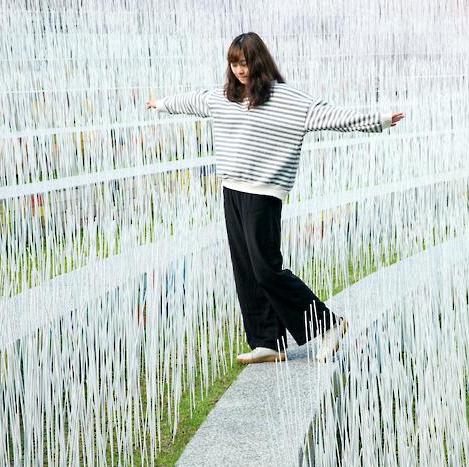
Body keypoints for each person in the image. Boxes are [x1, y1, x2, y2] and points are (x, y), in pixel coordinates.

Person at [146, 32, 404, 364]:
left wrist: (378, 121)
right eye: (235, 63)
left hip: (264, 193)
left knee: (267, 269)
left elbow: (331, 117)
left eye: (245, 62)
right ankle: (268, 341)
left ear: (260, 61)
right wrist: (161, 104)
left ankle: (328, 325)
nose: (240, 70)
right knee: (246, 270)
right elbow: (191, 101)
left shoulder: (287, 100)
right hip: (232, 190)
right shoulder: (222, 98)